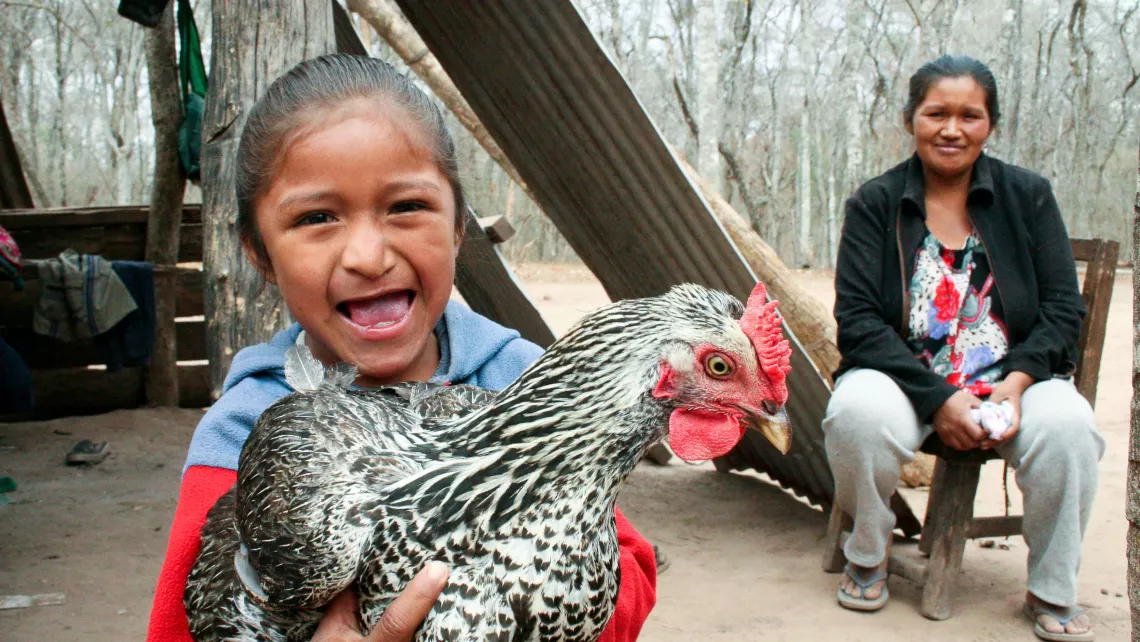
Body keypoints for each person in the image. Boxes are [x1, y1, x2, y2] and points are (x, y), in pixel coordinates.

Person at [146, 54, 657, 642]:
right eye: (318, 217)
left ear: (459, 226)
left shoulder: (523, 381)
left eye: (407, 207)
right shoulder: (240, 425)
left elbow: (630, 566)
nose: (369, 255)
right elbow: (180, 627)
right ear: (259, 252)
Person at [825, 54, 1103, 641]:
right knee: (855, 414)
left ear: (990, 124)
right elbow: (857, 322)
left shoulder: (1028, 196)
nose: (952, 129)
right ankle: (868, 554)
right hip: (904, 379)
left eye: (969, 115)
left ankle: (1051, 588)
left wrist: (1020, 382)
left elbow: (1061, 308)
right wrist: (940, 399)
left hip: (1012, 380)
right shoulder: (874, 204)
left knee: (1071, 427)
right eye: (936, 113)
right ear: (910, 120)